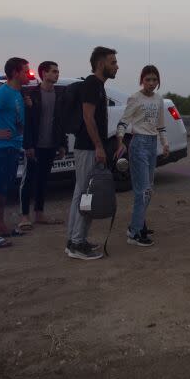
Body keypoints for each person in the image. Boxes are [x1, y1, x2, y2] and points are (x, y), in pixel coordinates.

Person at [65, 46, 119, 260]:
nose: (116, 66)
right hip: (88, 148)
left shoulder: (98, 86)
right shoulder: (91, 85)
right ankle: (77, 244)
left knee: (81, 194)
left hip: (87, 148)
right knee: (88, 195)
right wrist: (98, 146)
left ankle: (74, 240)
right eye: (112, 62)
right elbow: (88, 118)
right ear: (100, 64)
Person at [116, 65, 169, 247]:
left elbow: (160, 125)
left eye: (155, 80)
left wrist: (165, 142)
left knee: (148, 190)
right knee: (143, 191)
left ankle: (139, 224)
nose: (152, 83)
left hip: (152, 144)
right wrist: (120, 141)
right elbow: (123, 122)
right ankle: (134, 232)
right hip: (138, 144)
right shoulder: (135, 98)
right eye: (148, 79)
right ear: (142, 80)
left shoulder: (159, 99)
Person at [0, 57, 30, 249]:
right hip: (2, 148)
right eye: (25, 71)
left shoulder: (17, 93)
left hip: (12, 146)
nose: (28, 74)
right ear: (16, 73)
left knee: (2, 191)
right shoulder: (4, 92)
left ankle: (0, 227)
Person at [18, 61, 67, 231]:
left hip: (50, 144)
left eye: (57, 71)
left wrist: (62, 144)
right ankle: (25, 216)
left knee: (43, 180)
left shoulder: (59, 94)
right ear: (44, 74)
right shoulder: (32, 94)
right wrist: (28, 145)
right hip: (35, 145)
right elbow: (28, 123)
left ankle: (39, 213)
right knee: (29, 179)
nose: (57, 74)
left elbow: (61, 122)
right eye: (53, 71)